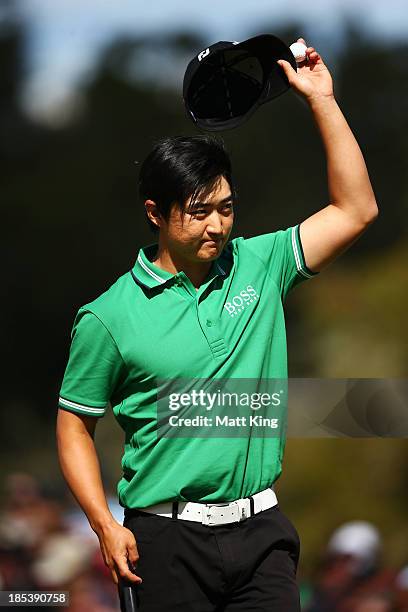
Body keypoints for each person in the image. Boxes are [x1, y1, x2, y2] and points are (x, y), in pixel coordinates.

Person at [56, 38, 378, 611]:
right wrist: (103, 523)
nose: (216, 226)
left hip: (262, 534)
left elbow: (356, 210)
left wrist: (322, 100)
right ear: (155, 213)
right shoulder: (108, 317)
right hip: (163, 541)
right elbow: (75, 425)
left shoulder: (262, 263)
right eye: (198, 212)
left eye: (226, 208)